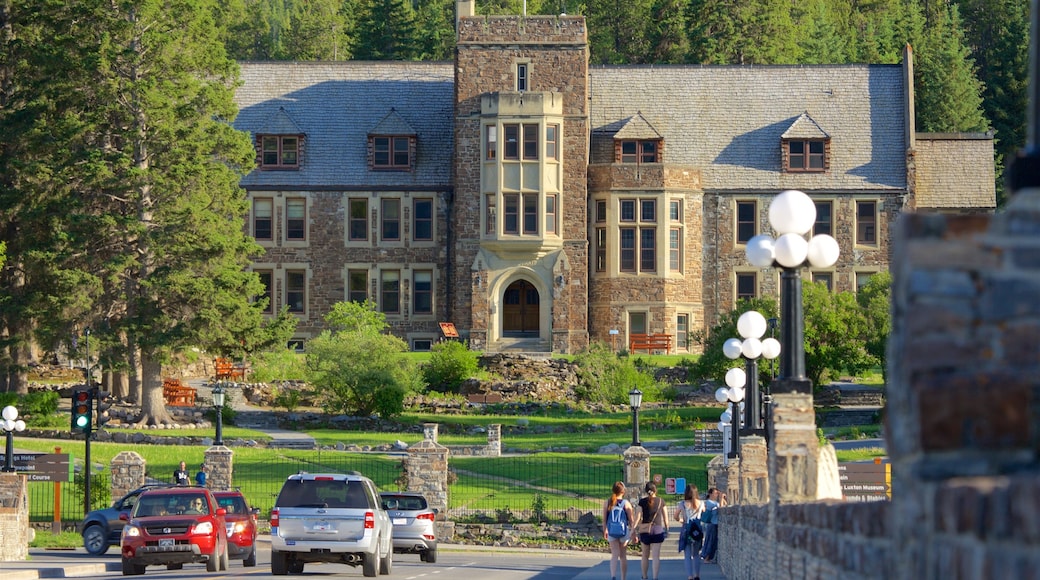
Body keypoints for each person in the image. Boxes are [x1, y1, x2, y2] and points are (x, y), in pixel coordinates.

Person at [635, 482, 668, 580]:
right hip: (657, 530)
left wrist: (634, 529)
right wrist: (667, 529)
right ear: (655, 490)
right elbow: (666, 518)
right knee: (656, 556)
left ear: (646, 491)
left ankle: (644, 576)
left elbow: (638, 517)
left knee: (645, 556)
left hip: (645, 530)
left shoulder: (642, 502)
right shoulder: (661, 501)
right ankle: (655, 577)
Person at [602, 481, 634, 580]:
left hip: (611, 531)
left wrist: (605, 530)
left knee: (614, 555)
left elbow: (604, 520)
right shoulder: (626, 503)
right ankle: (623, 578)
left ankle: (613, 576)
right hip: (623, 531)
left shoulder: (607, 502)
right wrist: (634, 533)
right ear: (623, 492)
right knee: (623, 556)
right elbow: (631, 520)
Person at [675, 485, 705, 580]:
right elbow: (703, 512)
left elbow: (675, 516)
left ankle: (690, 576)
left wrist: (681, 520)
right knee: (696, 554)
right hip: (697, 530)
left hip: (686, 529)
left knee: (687, 554)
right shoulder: (701, 503)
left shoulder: (683, 504)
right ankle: (697, 575)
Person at [700, 488, 726, 563]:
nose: (716, 495)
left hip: (715, 523)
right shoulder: (709, 502)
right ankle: (706, 557)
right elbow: (720, 507)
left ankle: (709, 557)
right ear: (710, 494)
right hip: (712, 523)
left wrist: (722, 498)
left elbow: (725, 505)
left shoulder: (714, 502)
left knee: (713, 541)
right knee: (710, 541)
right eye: (715, 493)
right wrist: (721, 498)